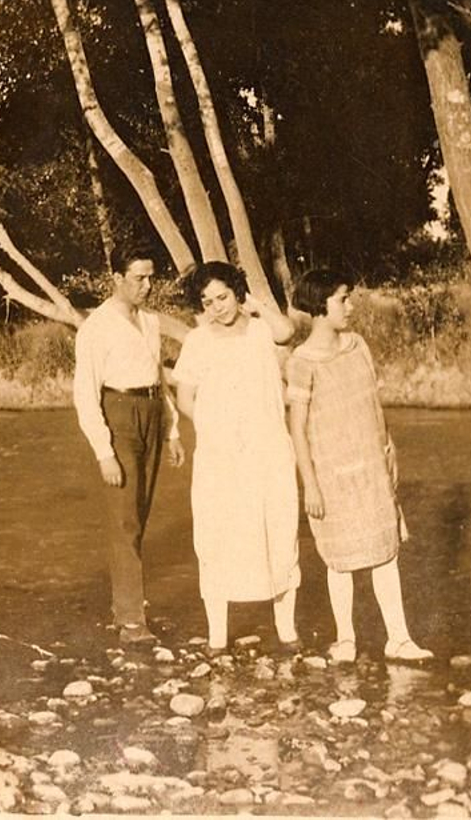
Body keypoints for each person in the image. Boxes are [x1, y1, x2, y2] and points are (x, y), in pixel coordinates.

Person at [285, 268, 432, 664]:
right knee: (340, 557)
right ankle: (345, 639)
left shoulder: (358, 345)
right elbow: (297, 428)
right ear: (319, 306)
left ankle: (398, 638)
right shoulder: (302, 361)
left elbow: (374, 403)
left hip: (371, 466)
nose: (350, 306)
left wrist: (389, 445)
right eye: (342, 299)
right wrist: (310, 484)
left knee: (386, 550)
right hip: (332, 475)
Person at [172, 262, 301, 652]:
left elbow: (287, 332)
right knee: (218, 536)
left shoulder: (261, 330)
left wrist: (258, 306)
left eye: (223, 297)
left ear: (237, 292)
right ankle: (217, 635)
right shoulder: (198, 341)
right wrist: (217, 429)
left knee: (278, 530)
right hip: (221, 455)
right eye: (207, 302)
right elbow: (185, 398)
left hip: (268, 448)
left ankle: (287, 630)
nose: (217, 308)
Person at [72, 244, 185, 645]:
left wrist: (172, 429)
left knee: (140, 512)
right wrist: (104, 452)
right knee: (125, 518)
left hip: (152, 411)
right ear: (117, 278)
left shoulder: (150, 321)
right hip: (118, 414)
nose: (147, 285)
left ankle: (125, 604)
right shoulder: (96, 327)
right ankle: (131, 619)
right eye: (139, 278)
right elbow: (85, 393)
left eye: (151, 277)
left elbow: (158, 377)